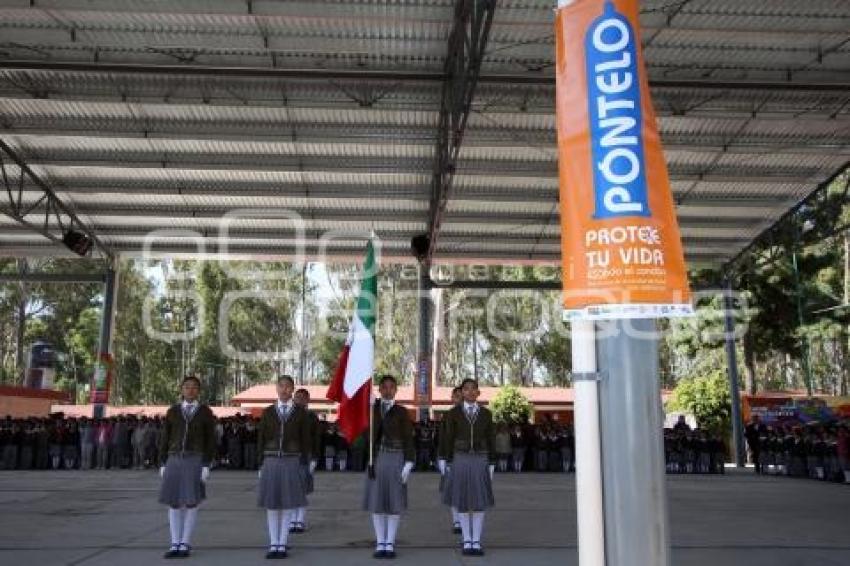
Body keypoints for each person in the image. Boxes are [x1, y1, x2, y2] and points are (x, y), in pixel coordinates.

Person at [257, 375, 315, 559]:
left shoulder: (300, 413)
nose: (284, 390)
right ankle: (273, 543)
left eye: (288, 387)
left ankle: (282, 543)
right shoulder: (268, 412)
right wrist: (260, 463)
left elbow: (306, 439)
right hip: (271, 460)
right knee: (272, 505)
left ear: (292, 389)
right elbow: (261, 439)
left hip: (292, 460)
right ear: (276, 388)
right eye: (281, 386)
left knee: (288, 503)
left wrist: (307, 461)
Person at [158, 375, 216, 559]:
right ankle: (174, 542)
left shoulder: (205, 412)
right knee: (174, 502)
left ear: (198, 391)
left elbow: (211, 441)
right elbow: (165, 438)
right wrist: (162, 462)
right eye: (186, 387)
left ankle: (185, 542)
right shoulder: (173, 411)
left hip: (195, 459)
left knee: (191, 502)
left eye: (193, 387)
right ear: (181, 390)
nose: (190, 390)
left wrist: (207, 464)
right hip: (174, 458)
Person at [438, 378, 496, 557]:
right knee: (462, 501)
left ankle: (476, 541)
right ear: (461, 393)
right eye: (466, 389)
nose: (470, 392)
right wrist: (445, 459)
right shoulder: (453, 414)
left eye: (473, 389)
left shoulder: (486, 414)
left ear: (478, 392)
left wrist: (492, 462)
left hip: (480, 458)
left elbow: (491, 439)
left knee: (479, 502)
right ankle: (467, 540)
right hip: (460, 458)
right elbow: (447, 438)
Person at [364, 374, 415, 560]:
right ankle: (380, 542)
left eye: (391, 387)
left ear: (396, 390)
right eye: (384, 387)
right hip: (376, 457)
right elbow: (369, 433)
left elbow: (408, 438)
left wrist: (409, 462)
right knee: (377, 503)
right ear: (379, 390)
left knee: (394, 503)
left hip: (396, 457)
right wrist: (373, 407)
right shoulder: (372, 409)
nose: (387, 390)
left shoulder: (401, 411)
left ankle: (390, 543)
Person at [291, 387, 321, 533]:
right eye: (297, 397)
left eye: (303, 397)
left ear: (308, 400)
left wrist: (314, 458)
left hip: (305, 456)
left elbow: (316, 439)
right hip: (290, 456)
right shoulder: (288, 415)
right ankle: (292, 520)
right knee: (290, 489)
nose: (299, 400)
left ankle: (300, 520)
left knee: (302, 490)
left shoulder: (312, 417)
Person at [439, 386, 463, 534]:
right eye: (456, 396)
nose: (458, 399)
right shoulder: (447, 416)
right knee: (453, 491)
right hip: (451, 457)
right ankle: (456, 521)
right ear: (452, 398)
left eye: (461, 396)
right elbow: (443, 438)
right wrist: (442, 457)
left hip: (467, 457)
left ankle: (465, 520)